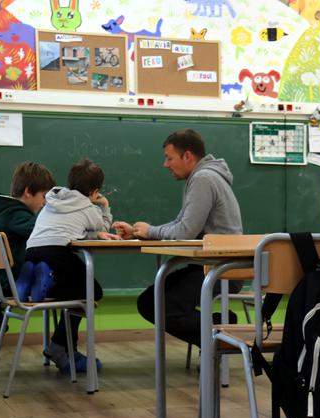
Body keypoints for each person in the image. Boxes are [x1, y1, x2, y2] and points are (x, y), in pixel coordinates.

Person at [112, 129, 243, 347]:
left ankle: (221, 336)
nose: (166, 164)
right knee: (149, 301)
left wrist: (151, 231)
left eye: (169, 158)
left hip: (221, 270)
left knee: (156, 304)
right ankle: (219, 329)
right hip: (210, 266)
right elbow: (180, 223)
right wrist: (139, 232)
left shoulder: (203, 179)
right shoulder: (203, 177)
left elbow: (184, 232)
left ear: (188, 156)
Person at [25, 158, 119, 371]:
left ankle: (44, 282)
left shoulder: (52, 201)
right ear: (95, 190)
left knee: (74, 292)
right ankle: (61, 346)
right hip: (57, 253)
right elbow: (104, 226)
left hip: (32, 252)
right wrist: (104, 206)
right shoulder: (88, 207)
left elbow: (76, 228)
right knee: (91, 291)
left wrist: (90, 232)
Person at [0, 161, 55, 278]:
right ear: (28, 192)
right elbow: (43, 229)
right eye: (44, 196)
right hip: (12, 284)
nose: (45, 203)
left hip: (1, 284)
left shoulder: (5, 211)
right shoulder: (15, 215)